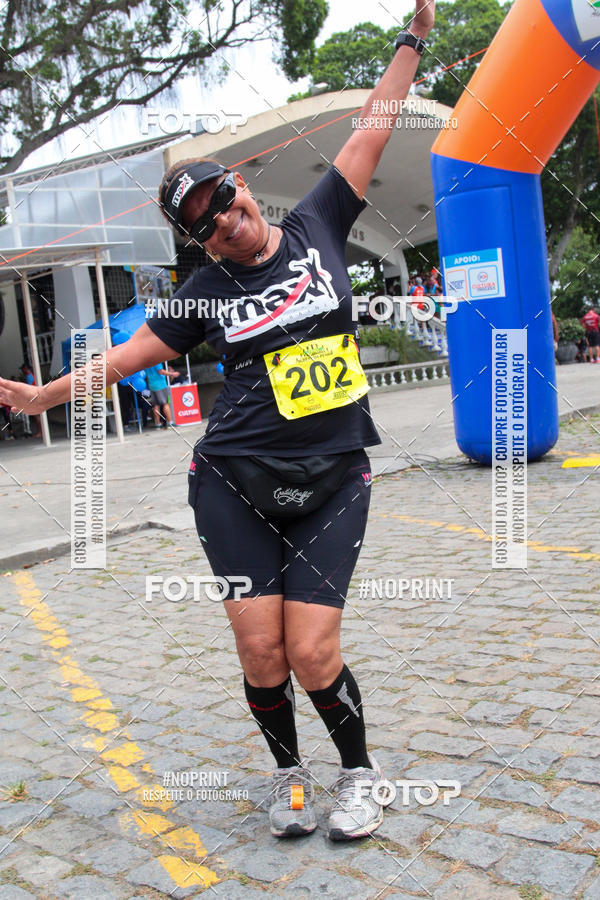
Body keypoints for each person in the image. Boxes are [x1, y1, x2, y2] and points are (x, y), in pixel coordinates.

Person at [0, 0, 435, 842]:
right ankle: (290, 779)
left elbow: (374, 126)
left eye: (227, 199)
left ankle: (359, 772)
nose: (229, 220)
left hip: (336, 474)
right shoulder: (202, 294)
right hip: (233, 483)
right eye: (208, 225)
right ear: (199, 244)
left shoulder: (319, 222)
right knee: (261, 654)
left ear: (241, 186)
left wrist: (412, 39)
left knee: (312, 651)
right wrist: (38, 397)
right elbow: (124, 363)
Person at [145, 362, 178, 427]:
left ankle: (158, 424)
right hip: (161, 385)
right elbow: (160, 371)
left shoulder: (146, 361)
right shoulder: (156, 360)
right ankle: (170, 422)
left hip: (152, 385)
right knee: (166, 403)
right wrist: (172, 374)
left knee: (156, 405)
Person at [19, 364, 42, 438]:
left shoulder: (29, 377)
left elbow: (29, 388)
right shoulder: (31, 375)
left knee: (37, 416)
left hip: (33, 398)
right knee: (37, 416)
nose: (22, 371)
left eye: (23, 369)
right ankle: (40, 432)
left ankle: (40, 432)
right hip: (35, 397)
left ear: (26, 368)